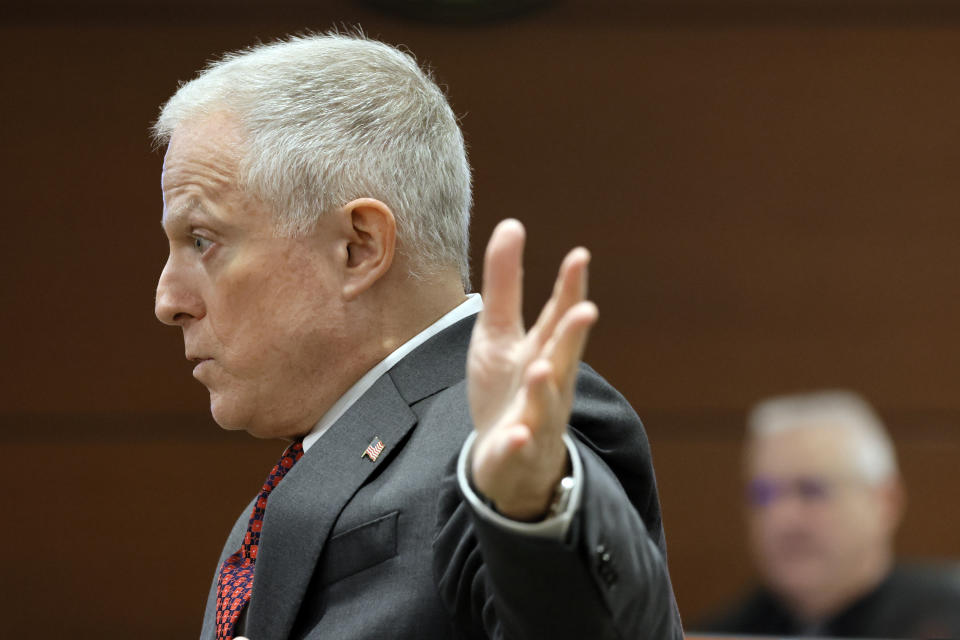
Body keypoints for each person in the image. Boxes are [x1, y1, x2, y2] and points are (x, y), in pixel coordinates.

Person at [152, 33, 682, 640]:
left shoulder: (509, 444)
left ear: (359, 247)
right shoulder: (311, 469)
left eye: (201, 240)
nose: (168, 301)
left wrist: (538, 516)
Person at [699, 390, 960, 638]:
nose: (784, 519)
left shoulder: (945, 624)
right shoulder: (722, 632)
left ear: (886, 501)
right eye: (764, 494)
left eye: (811, 490)